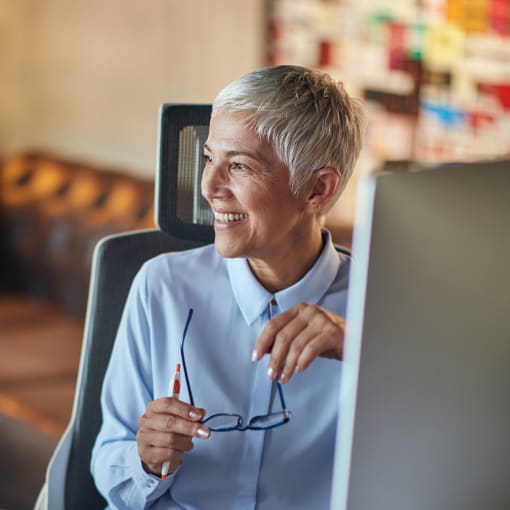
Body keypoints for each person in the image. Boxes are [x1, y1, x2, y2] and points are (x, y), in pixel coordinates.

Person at [91, 64, 365, 509]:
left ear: (317, 189)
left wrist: (366, 354)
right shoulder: (161, 287)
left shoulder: (376, 315)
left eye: (238, 165)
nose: (209, 186)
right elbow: (107, 464)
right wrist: (143, 459)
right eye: (208, 158)